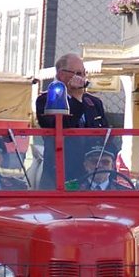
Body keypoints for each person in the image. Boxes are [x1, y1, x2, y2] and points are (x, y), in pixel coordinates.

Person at [35, 52, 109, 182]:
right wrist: (76, 98)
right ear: (61, 75)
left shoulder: (94, 103)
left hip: (91, 175)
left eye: (84, 73)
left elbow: (106, 136)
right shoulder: (46, 100)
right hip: (58, 174)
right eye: (78, 74)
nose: (83, 78)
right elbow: (62, 127)